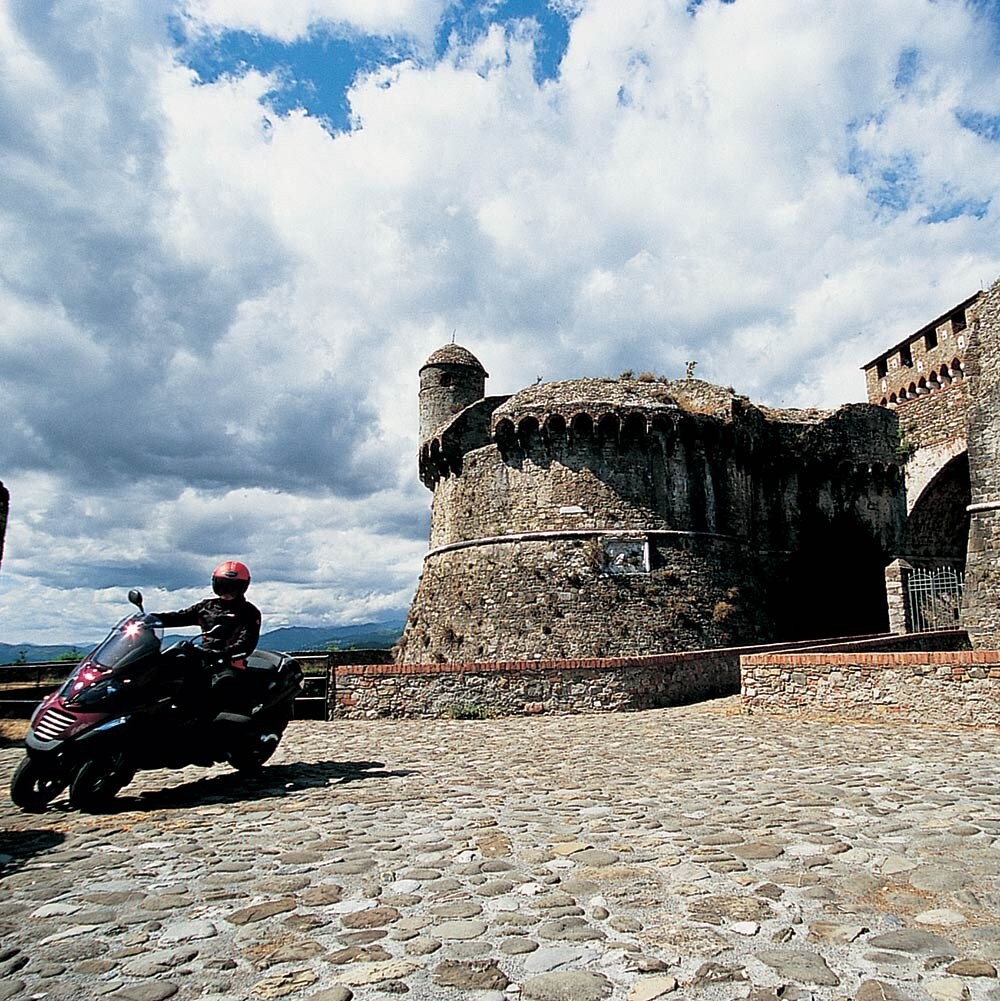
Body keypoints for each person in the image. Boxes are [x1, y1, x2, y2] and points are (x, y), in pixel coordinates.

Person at [149, 561, 262, 713]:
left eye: (234, 587)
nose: (228, 591)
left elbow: (246, 643)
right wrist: (150, 620)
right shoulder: (206, 607)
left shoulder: (249, 612)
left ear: (243, 587)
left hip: (229, 663)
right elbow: (179, 617)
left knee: (222, 688)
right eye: (223, 585)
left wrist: (220, 653)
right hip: (201, 659)